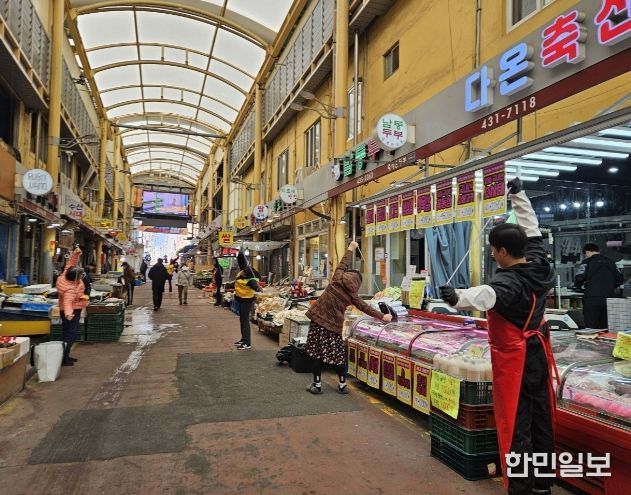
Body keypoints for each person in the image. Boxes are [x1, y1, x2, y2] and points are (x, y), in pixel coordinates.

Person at [439, 179, 556, 495]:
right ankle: (543, 484)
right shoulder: (538, 263)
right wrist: (518, 196)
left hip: (516, 361)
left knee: (517, 423)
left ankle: (521, 487)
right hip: (538, 353)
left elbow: (488, 295)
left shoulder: (509, 282)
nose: (492, 255)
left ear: (503, 251)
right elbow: (531, 228)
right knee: (541, 417)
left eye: (493, 250)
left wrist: (457, 297)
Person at [304, 241, 393, 395]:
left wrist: (350, 248)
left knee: (316, 353)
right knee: (338, 355)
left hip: (318, 321)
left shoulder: (337, 278)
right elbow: (366, 307)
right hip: (334, 327)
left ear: (347, 275)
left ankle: (317, 385)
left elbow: (342, 263)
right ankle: (342, 385)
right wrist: (383, 316)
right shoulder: (353, 295)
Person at [575, 243, 623, 329]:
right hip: (608, 298)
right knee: (606, 325)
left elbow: (579, 278)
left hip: (591, 298)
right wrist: (610, 287)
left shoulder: (586, 262)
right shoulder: (611, 262)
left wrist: (582, 288)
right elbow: (620, 279)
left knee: (591, 326)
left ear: (587, 252)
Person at [56, 247, 89, 366]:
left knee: (67, 333)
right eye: (80, 275)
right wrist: (69, 314)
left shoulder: (65, 276)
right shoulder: (70, 289)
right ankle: (63, 358)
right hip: (72, 311)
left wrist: (76, 254)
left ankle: (65, 355)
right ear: (74, 277)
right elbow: (67, 302)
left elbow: (70, 263)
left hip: (70, 310)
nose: (81, 277)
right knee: (71, 334)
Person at [233, 252, 262, 350]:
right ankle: (243, 339)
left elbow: (253, 283)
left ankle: (247, 342)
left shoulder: (248, 271)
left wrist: (257, 288)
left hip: (247, 299)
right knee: (242, 320)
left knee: (245, 321)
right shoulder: (242, 271)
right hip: (242, 298)